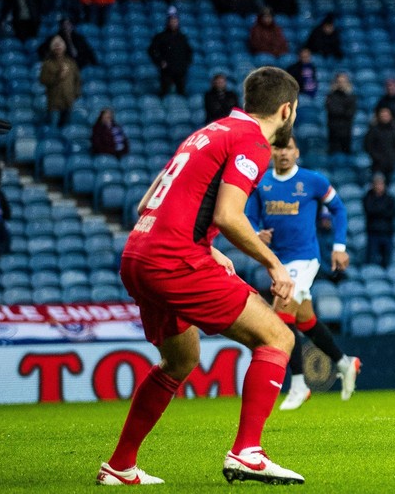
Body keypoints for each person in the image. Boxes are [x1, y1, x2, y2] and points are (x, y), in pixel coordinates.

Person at [96, 67, 304, 485]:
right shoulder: (251, 142)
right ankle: (248, 451)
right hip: (172, 259)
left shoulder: (208, 132)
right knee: (278, 336)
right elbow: (229, 216)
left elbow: (146, 204)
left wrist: (207, 247)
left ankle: (120, 466)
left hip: (139, 253)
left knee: (180, 360)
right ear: (287, 110)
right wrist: (274, 265)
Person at [246, 134, 359, 412]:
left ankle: (298, 385)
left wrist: (339, 246)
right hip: (278, 262)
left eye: (288, 148)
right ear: (271, 152)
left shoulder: (313, 180)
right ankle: (346, 363)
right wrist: (256, 234)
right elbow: (249, 216)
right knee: (305, 320)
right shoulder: (263, 183)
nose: (283, 153)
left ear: (297, 152)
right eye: (278, 148)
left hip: (305, 259)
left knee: (281, 318)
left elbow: (339, 209)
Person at [147, 10, 193, 97]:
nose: (173, 23)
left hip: (180, 70)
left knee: (181, 93)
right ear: (168, 22)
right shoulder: (161, 36)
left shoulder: (182, 37)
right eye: (171, 21)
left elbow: (189, 51)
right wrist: (160, 62)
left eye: (175, 21)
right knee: (164, 92)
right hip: (167, 70)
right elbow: (151, 50)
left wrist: (186, 63)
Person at [40, 36, 81, 128]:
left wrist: (76, 93)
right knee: (53, 127)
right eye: (55, 44)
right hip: (54, 103)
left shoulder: (71, 62)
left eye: (60, 44)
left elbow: (77, 79)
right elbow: (43, 80)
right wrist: (58, 76)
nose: (58, 46)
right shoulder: (47, 64)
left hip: (69, 101)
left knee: (68, 128)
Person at [363, 173, 395, 268]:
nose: (379, 186)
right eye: (377, 184)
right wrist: (383, 211)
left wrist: (378, 211)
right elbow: (370, 211)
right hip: (373, 233)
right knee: (371, 260)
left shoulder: (390, 199)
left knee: (387, 261)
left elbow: (393, 213)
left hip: (387, 233)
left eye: (381, 184)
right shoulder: (368, 198)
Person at [364, 107, 395, 179]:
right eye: (382, 115)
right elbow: (368, 146)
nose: (385, 117)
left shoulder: (394, 130)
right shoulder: (373, 130)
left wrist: (394, 157)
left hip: (391, 164)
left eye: (386, 115)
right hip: (377, 164)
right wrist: (377, 157)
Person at [325, 72, 357, 155]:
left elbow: (350, 113)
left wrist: (339, 111)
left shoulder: (351, 97)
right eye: (339, 81)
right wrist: (343, 111)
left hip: (346, 132)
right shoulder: (330, 96)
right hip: (333, 132)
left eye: (343, 82)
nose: (341, 84)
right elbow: (332, 110)